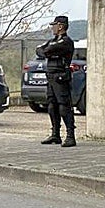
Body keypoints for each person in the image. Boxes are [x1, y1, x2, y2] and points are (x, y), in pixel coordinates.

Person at [36, 14, 76, 147]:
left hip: (60, 77)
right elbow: (40, 50)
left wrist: (49, 53)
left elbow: (48, 51)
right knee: (52, 106)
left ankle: (70, 136)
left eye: (54, 25)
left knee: (64, 106)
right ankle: (55, 134)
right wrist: (48, 52)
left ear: (60, 26)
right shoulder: (53, 40)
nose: (52, 28)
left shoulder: (66, 41)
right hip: (51, 76)